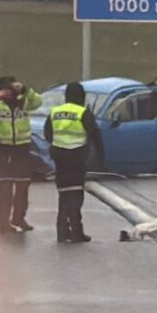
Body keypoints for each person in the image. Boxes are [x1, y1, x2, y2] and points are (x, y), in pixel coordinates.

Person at [0, 76, 46, 234]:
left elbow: (38, 102)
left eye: (11, 90)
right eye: (5, 90)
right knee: (5, 187)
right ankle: (3, 222)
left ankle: (19, 218)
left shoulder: (23, 102)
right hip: (2, 149)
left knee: (23, 185)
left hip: (21, 147)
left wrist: (24, 90)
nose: (8, 94)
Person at [43, 82, 104, 243]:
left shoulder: (55, 112)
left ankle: (62, 231)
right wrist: (101, 159)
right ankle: (77, 232)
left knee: (64, 195)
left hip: (60, 159)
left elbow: (48, 134)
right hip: (77, 158)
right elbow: (95, 135)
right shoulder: (83, 113)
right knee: (76, 195)